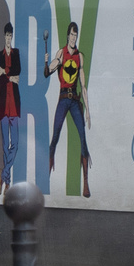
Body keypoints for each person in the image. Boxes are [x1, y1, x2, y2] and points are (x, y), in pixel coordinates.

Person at [44, 20, 92, 198]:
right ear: (67, 36)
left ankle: (86, 183)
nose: (73, 38)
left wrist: (88, 110)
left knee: (82, 138)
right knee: (55, 137)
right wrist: (47, 63)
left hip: (75, 100)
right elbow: (48, 71)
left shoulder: (79, 57)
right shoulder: (61, 53)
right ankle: (46, 179)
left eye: (75, 35)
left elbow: (83, 85)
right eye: (71, 35)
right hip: (63, 99)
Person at [0, 21, 22, 189]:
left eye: (11, 36)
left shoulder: (16, 53)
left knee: (15, 144)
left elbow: (18, 70)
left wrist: (5, 71)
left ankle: (3, 174)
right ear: (4, 36)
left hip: (15, 105)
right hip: (4, 106)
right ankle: (7, 183)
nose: (9, 38)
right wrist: (9, 75)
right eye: (7, 35)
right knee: (5, 146)